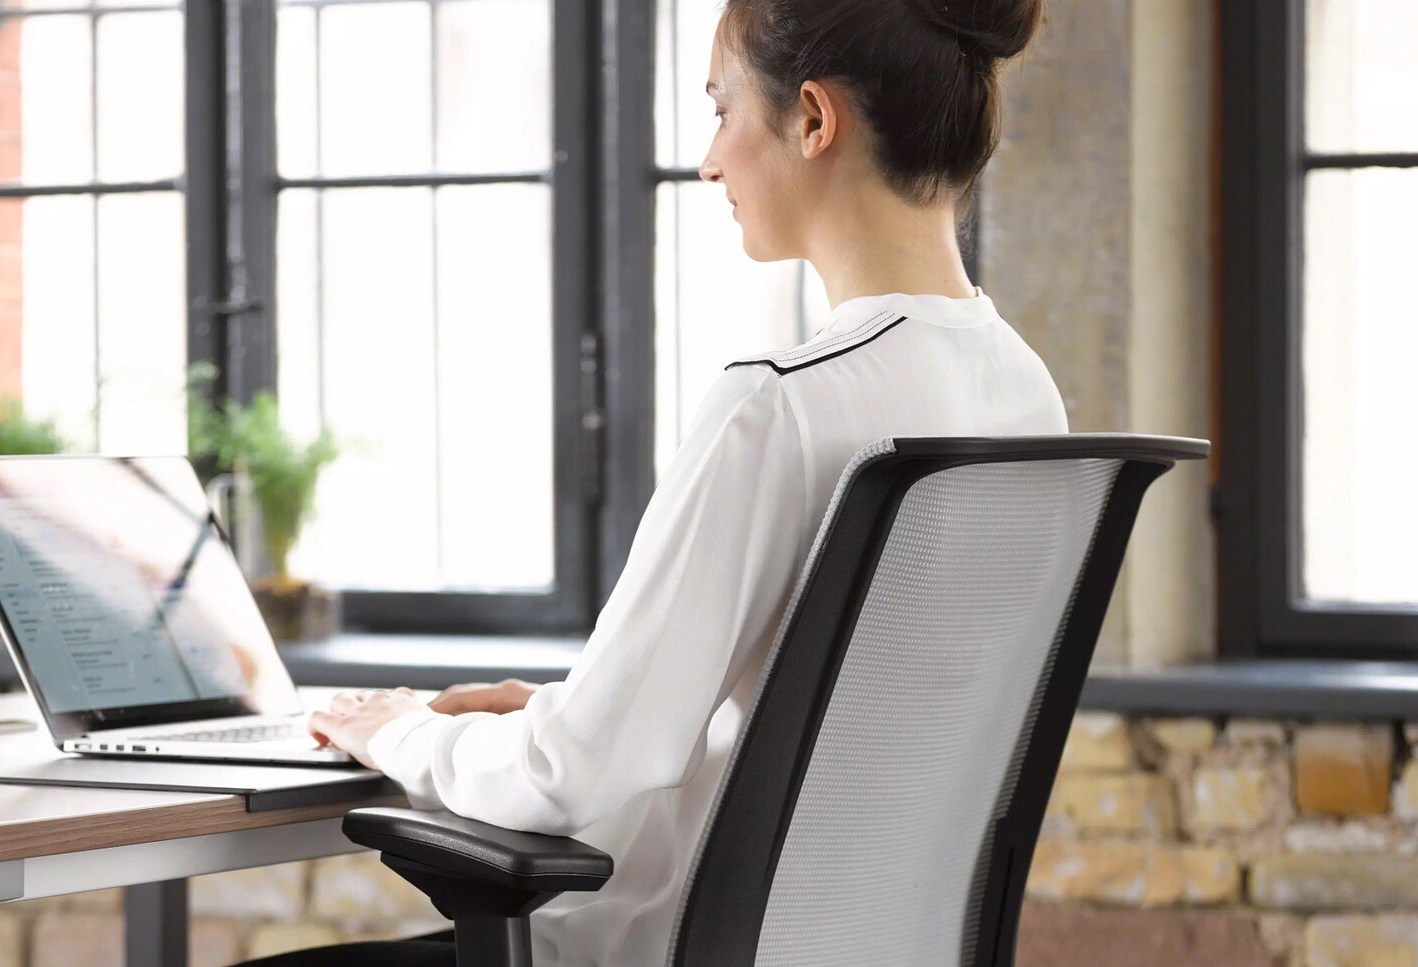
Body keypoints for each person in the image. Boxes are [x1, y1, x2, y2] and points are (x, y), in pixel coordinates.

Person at [236, 0, 1060, 964]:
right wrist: (570, 704)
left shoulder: (780, 404)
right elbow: (848, 728)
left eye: (721, 110)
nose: (710, 161)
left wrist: (399, 729)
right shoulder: (1026, 394)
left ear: (812, 119)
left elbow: (565, 778)